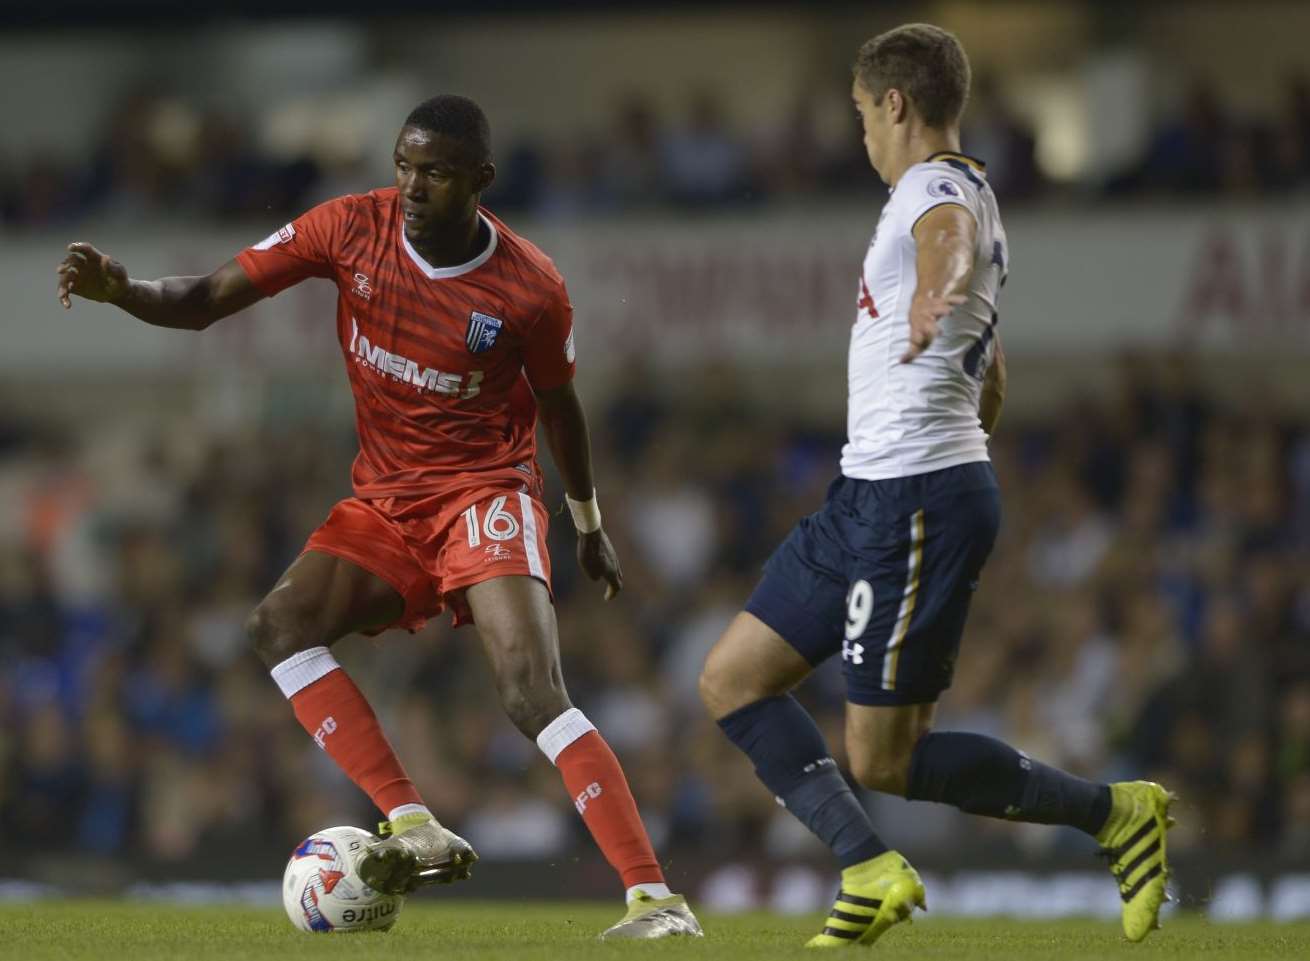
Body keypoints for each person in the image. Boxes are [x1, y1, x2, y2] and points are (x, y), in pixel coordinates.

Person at [55, 94, 700, 941]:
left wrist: (585, 520)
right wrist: (123, 291)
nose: (412, 186)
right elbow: (209, 296)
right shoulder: (348, 228)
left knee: (527, 689)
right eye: (404, 165)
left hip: (484, 493)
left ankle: (655, 900)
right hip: (387, 502)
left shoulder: (530, 288)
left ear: (480, 180)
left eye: (434, 171)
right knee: (279, 624)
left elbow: (561, 408)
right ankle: (409, 821)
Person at [697, 24, 1175, 948]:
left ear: (895, 104)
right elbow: (989, 375)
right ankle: (871, 865)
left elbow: (947, 247)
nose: (863, 135)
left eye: (862, 115)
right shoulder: (969, 194)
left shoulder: (938, 189)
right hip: (872, 492)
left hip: (910, 495)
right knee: (732, 679)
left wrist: (937, 288)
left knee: (881, 757)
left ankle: (1115, 813)